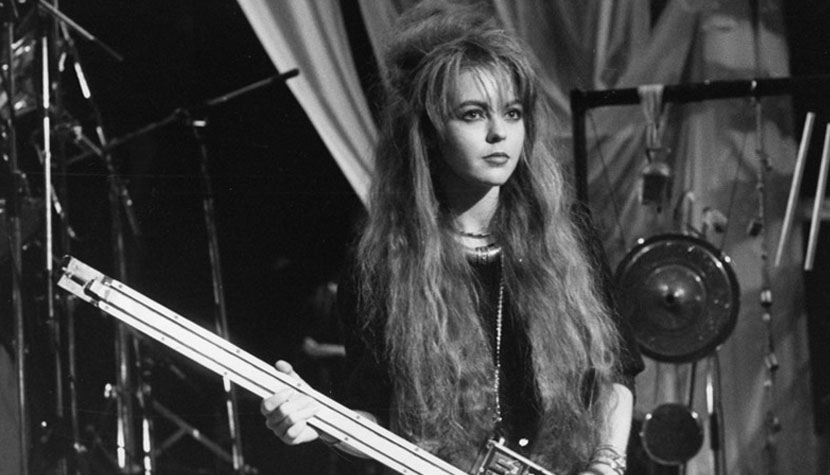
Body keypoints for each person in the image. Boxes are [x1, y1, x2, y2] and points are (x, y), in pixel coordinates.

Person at [262, 1, 644, 474]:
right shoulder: (382, 264)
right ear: (428, 131)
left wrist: (607, 464)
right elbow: (377, 416)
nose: (498, 133)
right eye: (473, 114)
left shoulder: (568, 236)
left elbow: (615, 369)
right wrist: (320, 421)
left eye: (513, 113)